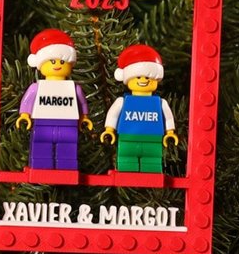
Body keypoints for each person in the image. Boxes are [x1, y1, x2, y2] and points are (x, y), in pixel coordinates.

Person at [17, 28, 92, 173]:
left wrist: (84, 117)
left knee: (68, 146)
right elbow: (27, 101)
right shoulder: (37, 87)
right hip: (42, 124)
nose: (57, 65)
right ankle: (40, 166)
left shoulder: (74, 88)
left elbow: (82, 102)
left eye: (63, 61)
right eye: (52, 61)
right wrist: (25, 114)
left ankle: (67, 168)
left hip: (68, 125)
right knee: (41, 144)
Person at [101, 44, 179, 173]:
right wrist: (109, 129)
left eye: (148, 77)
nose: (143, 80)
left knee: (152, 164)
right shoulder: (122, 102)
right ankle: (127, 175)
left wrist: (170, 132)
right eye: (138, 77)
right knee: (126, 163)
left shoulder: (160, 103)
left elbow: (169, 117)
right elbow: (113, 114)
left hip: (153, 140)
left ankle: (150, 176)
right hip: (127, 139)